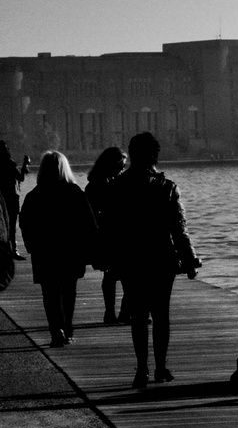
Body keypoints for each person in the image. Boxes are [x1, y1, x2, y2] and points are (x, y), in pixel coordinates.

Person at [110, 132, 201, 388]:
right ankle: (160, 367)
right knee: (161, 315)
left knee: (138, 316)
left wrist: (111, 260)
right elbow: (178, 229)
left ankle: (141, 369)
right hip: (162, 259)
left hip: (131, 260)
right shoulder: (167, 187)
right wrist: (190, 260)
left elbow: (111, 228)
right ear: (154, 156)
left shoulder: (118, 186)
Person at [19, 151, 98, 347]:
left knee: (50, 293)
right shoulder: (75, 193)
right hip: (71, 252)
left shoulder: (34, 196)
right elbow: (89, 225)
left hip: (45, 252)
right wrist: (90, 249)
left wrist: (32, 247)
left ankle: (56, 330)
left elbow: (25, 224)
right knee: (69, 291)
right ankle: (68, 329)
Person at [85, 145, 128, 324]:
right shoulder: (99, 184)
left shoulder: (103, 182)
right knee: (116, 274)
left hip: (117, 234)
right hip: (109, 235)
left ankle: (119, 312)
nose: (123, 168)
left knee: (121, 274)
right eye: (121, 164)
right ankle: (115, 312)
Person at [0, 139, 27, 258]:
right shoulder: (9, 163)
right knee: (11, 226)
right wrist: (25, 164)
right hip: (10, 198)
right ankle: (13, 250)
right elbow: (20, 178)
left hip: (1, 199)